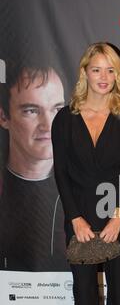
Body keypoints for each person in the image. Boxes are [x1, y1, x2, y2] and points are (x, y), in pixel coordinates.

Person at [51, 42, 120, 305]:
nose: (104, 77)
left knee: (119, 285)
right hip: (79, 213)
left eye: (111, 69)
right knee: (84, 286)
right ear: (85, 72)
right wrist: (75, 217)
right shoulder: (65, 117)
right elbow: (61, 172)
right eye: (97, 69)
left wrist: (119, 216)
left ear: (119, 74)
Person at [0, 57, 68, 271]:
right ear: (3, 117)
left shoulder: (84, 187)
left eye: (56, 109)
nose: (48, 125)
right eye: (31, 110)